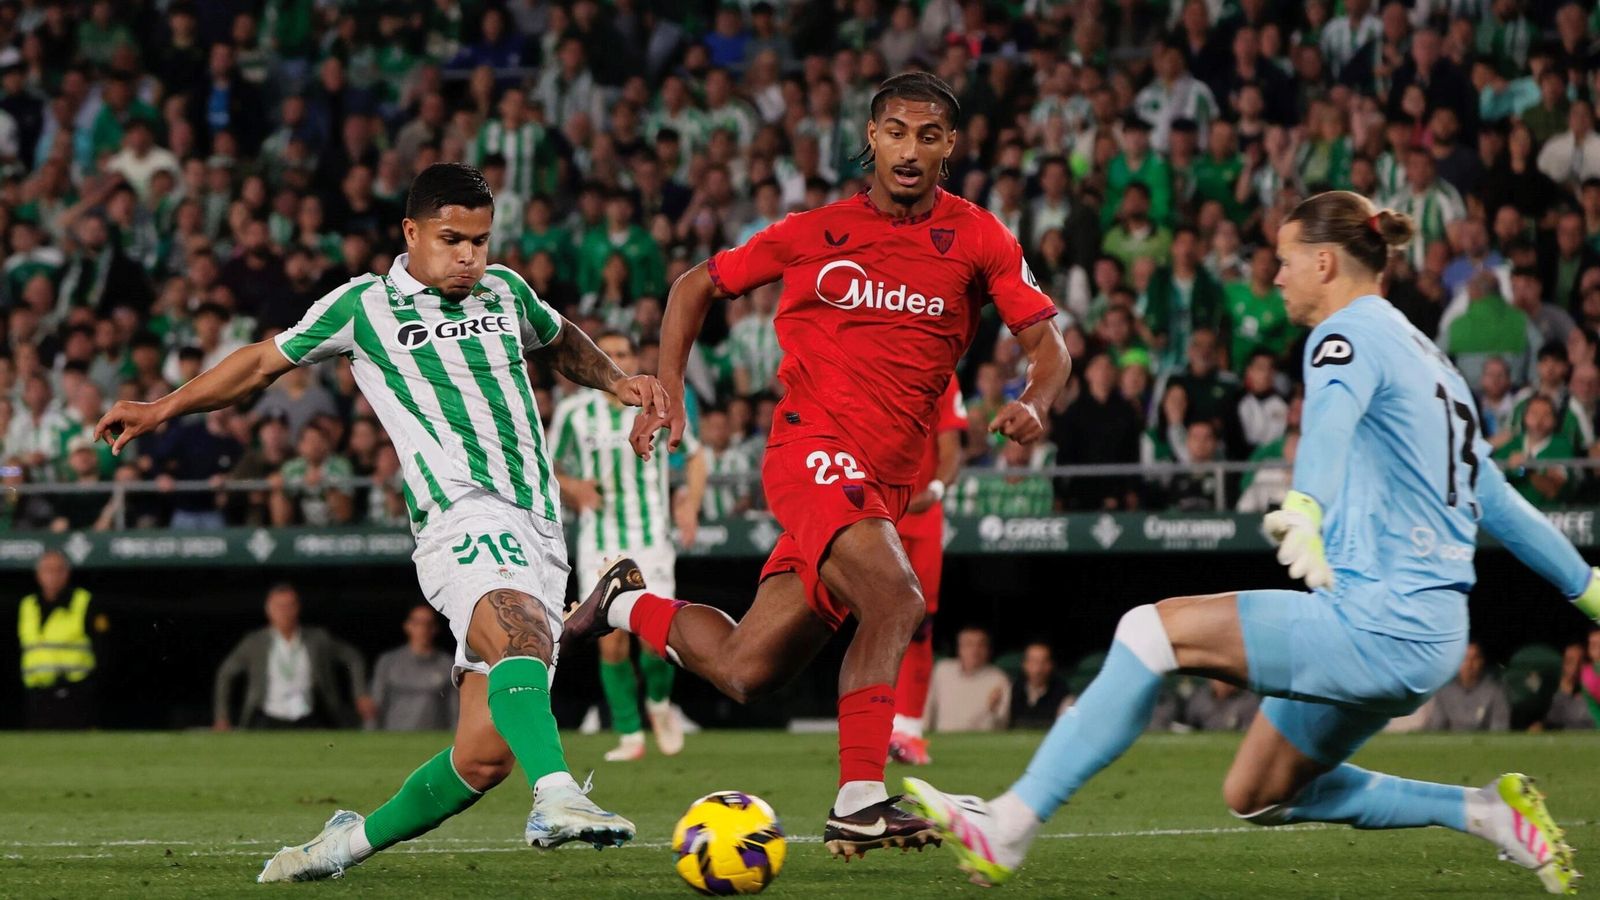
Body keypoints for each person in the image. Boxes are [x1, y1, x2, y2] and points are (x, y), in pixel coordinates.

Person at [905, 191, 1589, 893]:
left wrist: (1304, 506)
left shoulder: (1344, 335)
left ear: (1325, 262)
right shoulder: (1432, 361)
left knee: (1148, 632)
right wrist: (1589, 587)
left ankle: (1009, 825)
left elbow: (1328, 422)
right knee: (1258, 792)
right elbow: (1498, 501)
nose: (1277, 276)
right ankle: (1488, 813)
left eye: (1286, 261)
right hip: (1430, 635)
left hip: (1377, 622)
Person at [97, 163, 668, 880]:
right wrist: (161, 408)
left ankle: (341, 846)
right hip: (458, 513)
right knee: (519, 627)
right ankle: (556, 795)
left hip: (540, 525)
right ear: (411, 233)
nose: (469, 256)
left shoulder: (506, 290)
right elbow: (260, 363)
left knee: (483, 757)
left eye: (480, 241)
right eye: (452, 240)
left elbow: (556, 339)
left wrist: (618, 381)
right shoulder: (364, 306)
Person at [563, 72, 1069, 859]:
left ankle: (624, 603)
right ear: (872, 137)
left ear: (950, 145)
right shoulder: (814, 230)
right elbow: (694, 286)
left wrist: (1035, 400)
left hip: (884, 486)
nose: (909, 149)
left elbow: (1048, 345)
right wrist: (671, 388)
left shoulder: (980, 238)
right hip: (811, 451)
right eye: (895, 131)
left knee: (746, 669)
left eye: (927, 135)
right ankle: (860, 800)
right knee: (897, 598)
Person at [549, 331, 705, 763]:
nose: (617, 360)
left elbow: (695, 456)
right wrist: (574, 487)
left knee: (657, 636)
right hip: (600, 542)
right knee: (611, 641)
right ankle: (630, 734)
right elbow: (548, 466)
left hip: (651, 538)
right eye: (609, 354)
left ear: (634, 360)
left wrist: (690, 504)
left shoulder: (658, 405)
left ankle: (659, 703)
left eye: (623, 353)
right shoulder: (574, 413)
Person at [889, 375, 967, 765]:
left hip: (921, 520)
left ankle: (908, 730)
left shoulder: (943, 375)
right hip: (874, 512)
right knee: (873, 623)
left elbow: (951, 447)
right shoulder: (867, 360)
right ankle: (875, 725)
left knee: (919, 626)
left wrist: (935, 490)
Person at [212, 583, 374, 730]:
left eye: (290, 606)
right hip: (268, 718)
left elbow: (353, 657)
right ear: (269, 610)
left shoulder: (318, 639)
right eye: (279, 607)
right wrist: (222, 716)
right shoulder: (254, 643)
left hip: (309, 716)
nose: (285, 612)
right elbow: (225, 673)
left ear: (298, 607)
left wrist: (360, 693)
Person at [17, 551, 106, 729]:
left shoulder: (82, 601)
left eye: (58, 570)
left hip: (75, 690)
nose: (52, 576)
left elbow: (103, 647)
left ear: (66, 573)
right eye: (47, 570)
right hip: (38, 691)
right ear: (38, 574)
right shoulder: (28, 604)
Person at [371, 604, 457, 732]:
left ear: (435, 628)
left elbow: (455, 710)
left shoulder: (448, 664)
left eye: (428, 624)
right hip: (393, 736)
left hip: (434, 736)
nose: (423, 629)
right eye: (417, 623)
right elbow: (375, 706)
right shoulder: (388, 662)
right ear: (407, 626)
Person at [925, 626, 1011, 733]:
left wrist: (993, 710)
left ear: (988, 650)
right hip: (943, 738)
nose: (975, 650)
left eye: (981, 645)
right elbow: (927, 708)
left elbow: (1003, 724)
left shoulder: (999, 679)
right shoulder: (942, 671)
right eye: (969, 644)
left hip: (980, 739)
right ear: (959, 648)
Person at [1423, 642, 1511, 731]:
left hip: (1484, 739)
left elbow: (1499, 728)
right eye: (1465, 659)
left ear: (1481, 661)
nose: (1469, 664)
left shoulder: (1495, 690)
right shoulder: (1444, 690)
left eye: (1474, 658)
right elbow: (1437, 726)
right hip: (1453, 739)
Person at [1010, 642, 1069, 729]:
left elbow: (1063, 729)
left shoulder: (1063, 695)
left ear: (1051, 665)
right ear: (1024, 665)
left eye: (1043, 662)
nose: (1038, 669)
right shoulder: (1012, 690)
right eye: (1033, 661)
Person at [1183, 679, 1261, 731]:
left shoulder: (1248, 700)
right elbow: (1190, 724)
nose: (1221, 683)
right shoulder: (1201, 696)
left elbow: (1249, 730)